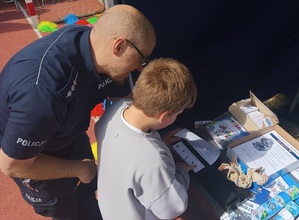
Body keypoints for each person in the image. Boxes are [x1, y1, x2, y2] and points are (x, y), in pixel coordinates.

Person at [0, 4, 156, 220]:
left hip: (68, 135)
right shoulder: (41, 94)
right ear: (119, 47)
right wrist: (78, 169)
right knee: (65, 210)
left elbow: (122, 95)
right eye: (142, 59)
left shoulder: (96, 48)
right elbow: (13, 165)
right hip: (36, 158)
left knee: (87, 199)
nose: (141, 67)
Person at [95, 58, 197, 220]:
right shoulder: (153, 161)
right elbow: (172, 209)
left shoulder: (115, 109)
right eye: (178, 113)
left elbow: (129, 152)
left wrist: (160, 140)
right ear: (164, 117)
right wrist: (181, 171)